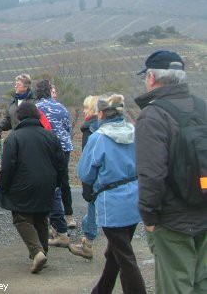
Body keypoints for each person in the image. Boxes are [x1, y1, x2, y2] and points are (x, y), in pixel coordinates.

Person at [135, 50, 207, 293]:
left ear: (152, 78)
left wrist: (149, 218)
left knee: (174, 287)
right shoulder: (202, 108)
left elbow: (151, 174)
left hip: (172, 219)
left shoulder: (153, 115)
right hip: (204, 211)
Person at [77, 94, 146, 294]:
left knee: (124, 256)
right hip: (135, 198)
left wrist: (89, 186)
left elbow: (85, 172)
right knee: (115, 252)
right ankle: (101, 290)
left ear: (100, 114)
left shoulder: (98, 138)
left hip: (112, 204)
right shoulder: (134, 131)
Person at [0, 102, 65, 273]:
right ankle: (43, 253)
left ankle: (37, 252)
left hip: (22, 185)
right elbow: (61, 164)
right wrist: (56, 183)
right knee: (41, 217)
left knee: (22, 218)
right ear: (37, 115)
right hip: (47, 184)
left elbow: (7, 168)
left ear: (19, 117)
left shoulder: (13, 138)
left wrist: (3, 187)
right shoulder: (50, 136)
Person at [35, 79, 75, 248]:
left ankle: (60, 231)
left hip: (47, 151)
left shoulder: (36, 108)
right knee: (61, 183)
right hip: (64, 149)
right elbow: (68, 128)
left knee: (52, 189)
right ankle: (61, 221)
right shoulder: (61, 107)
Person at [69, 95, 100, 259]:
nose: (84, 111)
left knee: (93, 207)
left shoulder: (91, 130)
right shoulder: (101, 126)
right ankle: (88, 236)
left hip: (95, 179)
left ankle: (88, 244)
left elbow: (89, 160)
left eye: (87, 108)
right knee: (94, 210)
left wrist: (87, 185)